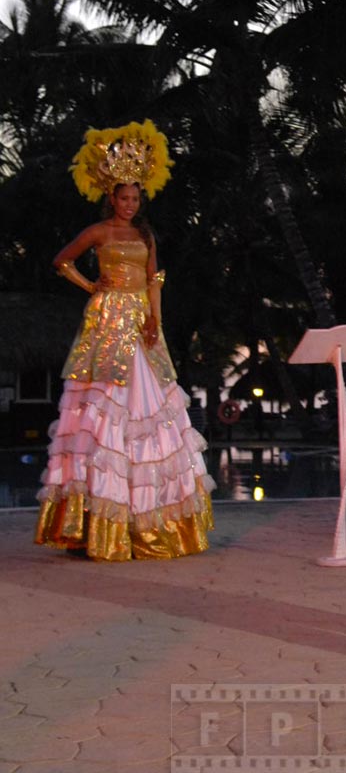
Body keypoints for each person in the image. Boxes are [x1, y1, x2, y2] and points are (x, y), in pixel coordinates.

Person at [35, 120, 214, 560]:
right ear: (110, 197)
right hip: (106, 320)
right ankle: (99, 518)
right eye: (124, 197)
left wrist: (156, 320)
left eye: (136, 198)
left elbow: (154, 280)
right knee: (104, 407)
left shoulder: (145, 235)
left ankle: (151, 517)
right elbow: (61, 261)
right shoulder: (100, 232)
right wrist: (90, 286)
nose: (130, 205)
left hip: (140, 322)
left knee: (149, 404)